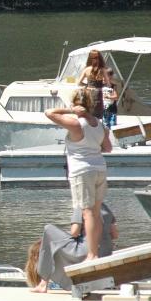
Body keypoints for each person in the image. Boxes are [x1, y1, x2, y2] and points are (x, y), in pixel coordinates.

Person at [46, 87, 112, 261]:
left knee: (87, 213)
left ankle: (91, 254)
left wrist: (70, 110)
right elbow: (108, 148)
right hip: (100, 168)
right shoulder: (99, 124)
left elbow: (49, 112)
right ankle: (95, 252)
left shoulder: (76, 124)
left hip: (82, 171)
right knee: (96, 213)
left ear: (75, 104)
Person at [26, 203, 118, 292]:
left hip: (87, 252)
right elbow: (115, 235)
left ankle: (43, 283)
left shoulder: (82, 205)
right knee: (56, 243)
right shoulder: (105, 208)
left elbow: (74, 232)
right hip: (106, 253)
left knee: (48, 230)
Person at [77, 50, 107, 118]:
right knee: (97, 114)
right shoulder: (102, 70)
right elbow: (108, 84)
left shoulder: (86, 69)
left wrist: (87, 85)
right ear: (100, 58)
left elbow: (79, 83)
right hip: (97, 93)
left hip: (88, 92)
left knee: (88, 112)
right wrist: (102, 85)